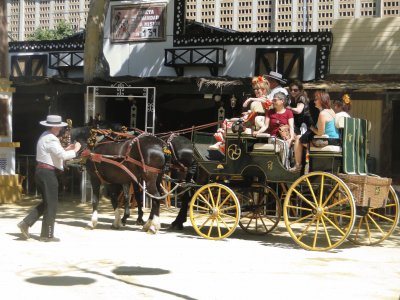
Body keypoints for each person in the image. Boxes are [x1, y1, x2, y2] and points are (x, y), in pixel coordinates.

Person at [17, 115, 81, 242]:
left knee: (48, 202)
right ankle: (46, 235)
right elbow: (62, 155)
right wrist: (76, 150)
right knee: (51, 204)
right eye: (59, 127)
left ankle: (26, 223)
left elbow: (56, 152)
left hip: (42, 172)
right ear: (54, 127)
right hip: (47, 173)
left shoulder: (45, 136)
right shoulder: (51, 139)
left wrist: (66, 149)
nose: (60, 129)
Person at [209, 76, 270, 153]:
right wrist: (248, 112)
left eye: (258, 89)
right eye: (255, 89)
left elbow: (264, 103)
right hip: (250, 122)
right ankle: (222, 143)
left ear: (264, 90)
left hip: (253, 126)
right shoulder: (259, 102)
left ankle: (222, 144)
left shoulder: (266, 101)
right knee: (228, 121)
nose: (256, 91)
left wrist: (250, 99)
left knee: (230, 124)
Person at [290, 91, 339, 172]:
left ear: (321, 100)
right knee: (303, 139)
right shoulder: (331, 111)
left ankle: (298, 166)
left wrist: (311, 128)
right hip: (334, 140)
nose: (314, 101)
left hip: (327, 141)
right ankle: (304, 166)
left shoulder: (323, 114)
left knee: (299, 138)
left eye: (316, 99)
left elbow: (320, 133)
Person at [253, 92, 295, 169]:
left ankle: (290, 165)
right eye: (273, 100)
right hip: (273, 137)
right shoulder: (270, 112)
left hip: (285, 137)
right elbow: (265, 126)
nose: (273, 102)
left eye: (275, 100)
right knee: (284, 144)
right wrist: (258, 132)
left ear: (282, 101)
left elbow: (291, 127)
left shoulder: (289, 112)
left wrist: (291, 138)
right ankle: (285, 168)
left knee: (289, 143)